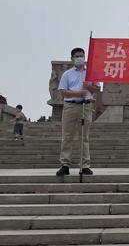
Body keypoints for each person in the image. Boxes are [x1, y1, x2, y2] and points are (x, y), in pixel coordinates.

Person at [56, 47, 101, 177]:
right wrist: (78, 93)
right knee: (67, 136)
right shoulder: (67, 74)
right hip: (70, 105)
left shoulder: (91, 73)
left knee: (84, 137)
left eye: (82, 56)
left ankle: (85, 165)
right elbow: (63, 92)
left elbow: (97, 89)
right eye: (77, 56)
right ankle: (65, 164)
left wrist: (88, 86)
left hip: (86, 106)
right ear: (72, 58)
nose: (80, 58)